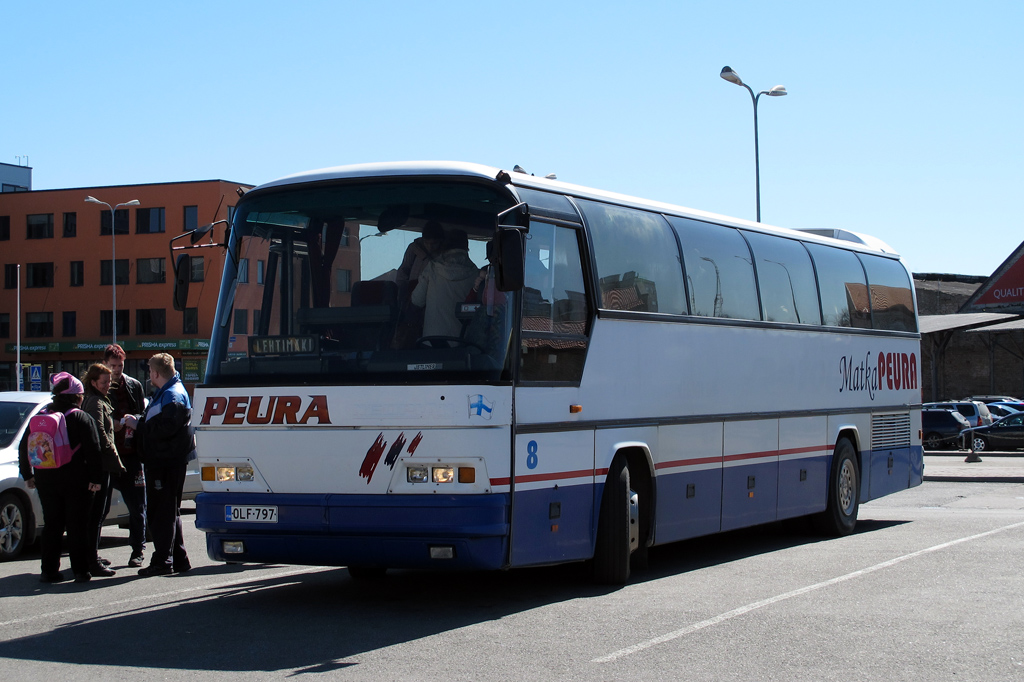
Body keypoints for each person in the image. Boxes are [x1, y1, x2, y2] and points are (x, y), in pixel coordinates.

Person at [18, 372, 104, 583]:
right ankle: (80, 571)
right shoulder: (81, 417)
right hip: (76, 480)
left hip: (45, 478)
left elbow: (24, 447)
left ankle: (48, 571)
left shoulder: (40, 418)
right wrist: (96, 479)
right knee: (77, 525)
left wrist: (28, 474)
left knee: (52, 525)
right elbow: (94, 450)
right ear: (76, 396)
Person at [130, 353, 193, 577]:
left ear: (155, 373)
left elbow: (165, 429)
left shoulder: (171, 396)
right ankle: (178, 558)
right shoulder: (170, 392)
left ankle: (162, 560)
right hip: (169, 460)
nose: (149, 376)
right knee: (169, 511)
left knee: (161, 512)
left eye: (150, 372)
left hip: (165, 461)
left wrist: (137, 425)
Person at [103, 344, 148, 567]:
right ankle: (91, 553)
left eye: (120, 365)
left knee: (137, 505)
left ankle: (138, 550)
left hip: (131, 454)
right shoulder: (98, 386)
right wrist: (111, 425)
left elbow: (143, 412)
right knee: (99, 508)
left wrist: (133, 419)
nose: (117, 370)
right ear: (105, 365)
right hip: (108, 457)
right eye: (113, 366)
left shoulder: (133, 385)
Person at [81, 363, 125, 576]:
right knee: (95, 514)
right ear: (93, 383)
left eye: (109, 381)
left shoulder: (98, 401)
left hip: (101, 464)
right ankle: (91, 560)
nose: (109, 385)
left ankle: (92, 555)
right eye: (104, 382)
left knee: (99, 513)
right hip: (99, 465)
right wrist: (112, 453)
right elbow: (99, 433)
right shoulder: (95, 403)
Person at [410, 229, 479, 338]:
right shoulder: (477, 274)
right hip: (464, 343)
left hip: (432, 341)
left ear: (444, 245)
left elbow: (417, 300)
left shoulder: (432, 268)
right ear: (466, 245)